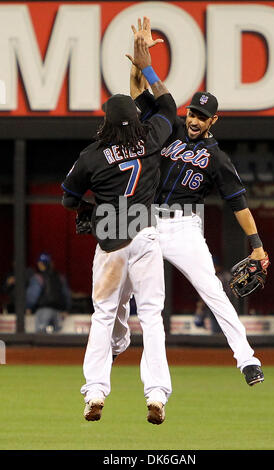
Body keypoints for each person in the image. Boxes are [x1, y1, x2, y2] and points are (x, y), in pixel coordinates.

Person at [111, 17, 270, 387]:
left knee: (213, 291)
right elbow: (137, 95)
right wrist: (139, 62)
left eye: (202, 115)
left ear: (214, 119)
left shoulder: (217, 158)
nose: (194, 119)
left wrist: (258, 246)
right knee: (117, 289)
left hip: (184, 226)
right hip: (145, 220)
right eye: (192, 112)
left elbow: (239, 205)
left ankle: (247, 360)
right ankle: (118, 342)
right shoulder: (170, 125)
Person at [61, 33, 177, 424]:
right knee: (152, 316)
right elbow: (167, 104)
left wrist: (91, 211)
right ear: (136, 123)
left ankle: (95, 391)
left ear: (106, 124)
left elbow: (68, 198)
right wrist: (145, 67)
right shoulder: (151, 139)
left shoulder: (92, 155)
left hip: (111, 241)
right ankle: (157, 394)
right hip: (145, 236)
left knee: (103, 315)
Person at [25, 253, 71, 333]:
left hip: (44, 310)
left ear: (41, 264)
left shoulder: (38, 277)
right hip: (58, 312)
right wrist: (66, 309)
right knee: (57, 340)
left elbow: (32, 295)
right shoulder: (60, 277)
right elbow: (66, 295)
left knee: (41, 338)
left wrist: (28, 307)